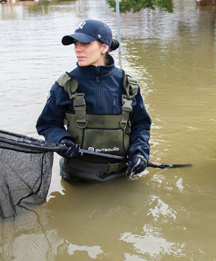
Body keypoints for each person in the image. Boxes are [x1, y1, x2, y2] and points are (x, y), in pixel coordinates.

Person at [37, 19, 151, 182]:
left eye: (85, 43)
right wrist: (62, 140)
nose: (78, 50)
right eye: (76, 44)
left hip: (120, 177)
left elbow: (141, 125)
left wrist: (140, 153)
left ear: (104, 47)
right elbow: (47, 124)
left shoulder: (128, 86)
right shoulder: (64, 85)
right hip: (76, 177)